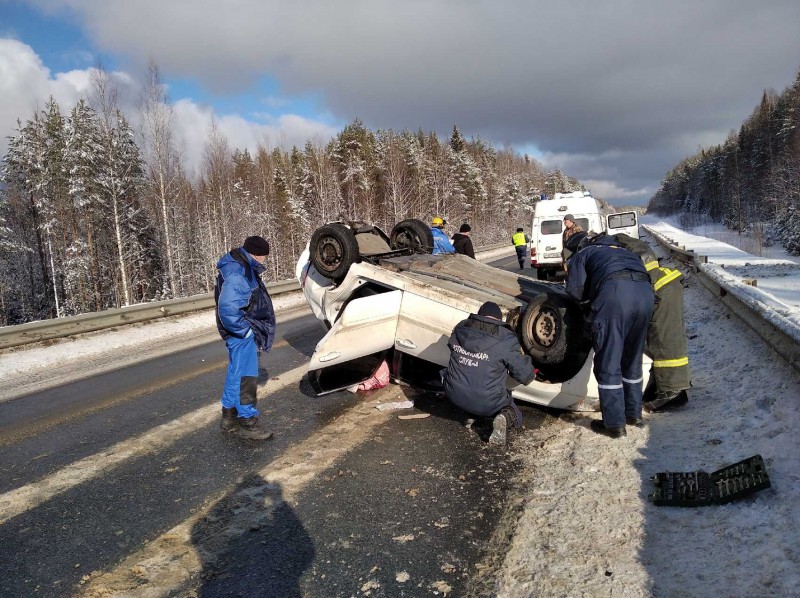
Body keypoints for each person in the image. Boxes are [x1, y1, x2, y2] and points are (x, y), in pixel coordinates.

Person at [565, 232, 654, 438]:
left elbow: (574, 291)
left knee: (609, 360)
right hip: (645, 296)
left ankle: (614, 424)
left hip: (615, 295)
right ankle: (633, 414)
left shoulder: (584, 253)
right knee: (632, 359)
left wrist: (586, 308)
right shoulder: (624, 250)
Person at [604, 233, 691, 412]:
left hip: (660, 289)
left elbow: (647, 262)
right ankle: (658, 384)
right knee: (652, 340)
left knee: (664, 341)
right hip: (658, 288)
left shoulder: (613, 246)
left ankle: (673, 392)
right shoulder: (614, 243)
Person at [443, 301, 537, 445]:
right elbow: (525, 375)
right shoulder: (506, 338)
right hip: (487, 402)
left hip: (452, 393)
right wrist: (531, 370)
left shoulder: (461, 327)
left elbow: (452, 347)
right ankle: (505, 418)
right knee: (511, 408)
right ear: (499, 320)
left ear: (479, 315)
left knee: (463, 377)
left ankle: (470, 415)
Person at [215, 235, 276, 440]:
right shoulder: (238, 272)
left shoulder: (239, 264)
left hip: (238, 330)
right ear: (257, 255)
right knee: (247, 375)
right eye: (264, 257)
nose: (264, 261)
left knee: (236, 371)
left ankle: (229, 415)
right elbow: (229, 309)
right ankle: (247, 419)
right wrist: (245, 331)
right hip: (240, 331)